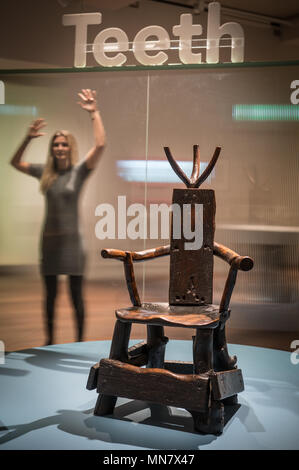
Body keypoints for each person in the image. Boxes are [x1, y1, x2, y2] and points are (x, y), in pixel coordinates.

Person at [10, 88, 106, 344]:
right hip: (50, 243)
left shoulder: (79, 172)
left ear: (70, 147)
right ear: (52, 148)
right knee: (50, 296)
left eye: (64, 144)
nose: (59, 147)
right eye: (55, 144)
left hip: (73, 245)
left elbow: (100, 145)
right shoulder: (44, 172)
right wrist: (28, 139)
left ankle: (79, 342)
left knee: (76, 296)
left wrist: (94, 112)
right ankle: (50, 342)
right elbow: (15, 162)